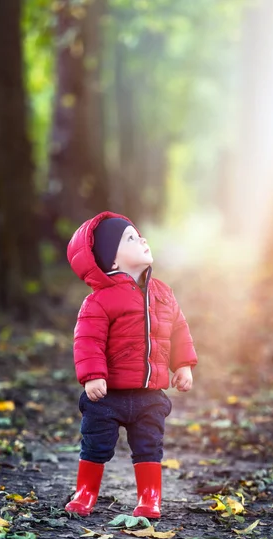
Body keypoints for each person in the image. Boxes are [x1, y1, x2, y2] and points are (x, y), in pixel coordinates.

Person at [65, 211, 197, 518]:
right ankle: (85, 493)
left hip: (150, 394)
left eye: (138, 235)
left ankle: (149, 498)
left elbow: (179, 329)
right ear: (110, 261)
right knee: (96, 443)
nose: (142, 240)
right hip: (107, 395)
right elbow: (88, 341)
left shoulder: (163, 294)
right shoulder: (99, 300)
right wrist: (93, 376)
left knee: (149, 445)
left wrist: (184, 365)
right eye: (131, 238)